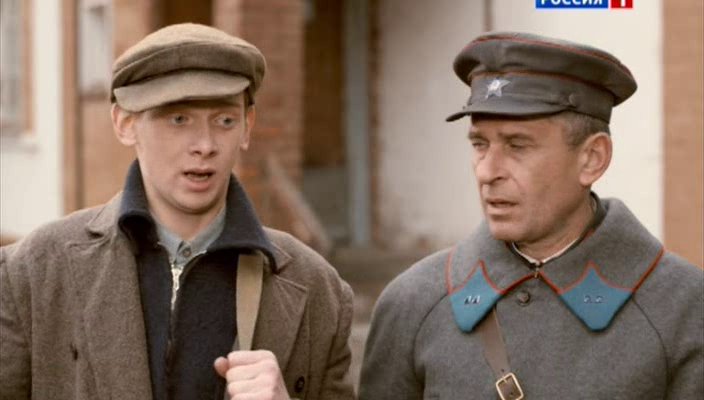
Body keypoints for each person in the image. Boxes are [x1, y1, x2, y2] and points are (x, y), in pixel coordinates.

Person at [0, 23, 355, 400]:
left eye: (224, 120)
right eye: (179, 119)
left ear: (247, 126)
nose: (205, 145)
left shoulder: (319, 290)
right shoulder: (31, 275)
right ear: (125, 123)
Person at [359, 31, 703, 399]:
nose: (487, 171)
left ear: (592, 159)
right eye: (479, 144)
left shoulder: (684, 308)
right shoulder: (412, 302)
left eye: (517, 145)